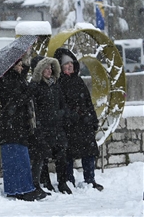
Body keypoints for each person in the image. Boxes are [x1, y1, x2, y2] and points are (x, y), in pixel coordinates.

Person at [0, 56, 46, 201]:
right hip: (11, 127)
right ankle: (21, 190)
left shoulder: (14, 80)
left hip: (14, 127)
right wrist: (32, 87)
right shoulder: (8, 82)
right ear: (12, 67)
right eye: (19, 65)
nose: (21, 67)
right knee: (17, 160)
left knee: (18, 159)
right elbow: (19, 99)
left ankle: (18, 189)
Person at [54, 47, 104, 191]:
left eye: (71, 63)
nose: (69, 66)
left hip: (85, 124)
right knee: (68, 155)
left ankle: (90, 179)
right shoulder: (59, 83)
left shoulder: (79, 81)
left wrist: (92, 119)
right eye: (65, 64)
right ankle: (69, 180)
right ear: (60, 66)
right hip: (70, 126)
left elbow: (88, 102)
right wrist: (70, 116)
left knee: (88, 153)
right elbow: (60, 105)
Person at [28, 55, 71, 195]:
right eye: (46, 68)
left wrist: (62, 114)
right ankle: (46, 183)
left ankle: (62, 182)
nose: (49, 71)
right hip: (43, 128)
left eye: (50, 68)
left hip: (57, 127)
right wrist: (41, 122)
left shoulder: (55, 85)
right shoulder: (35, 87)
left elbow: (63, 103)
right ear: (39, 70)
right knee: (43, 156)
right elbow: (34, 109)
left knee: (61, 155)